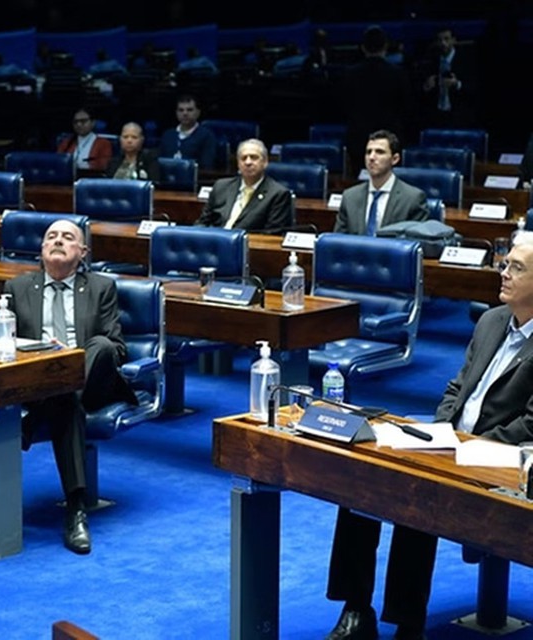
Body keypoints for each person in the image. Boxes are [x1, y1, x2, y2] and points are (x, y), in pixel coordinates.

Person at [323, 231, 533, 640]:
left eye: (516, 268)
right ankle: (356, 610)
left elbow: (531, 424)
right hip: (453, 442)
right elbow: (457, 388)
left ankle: (407, 622)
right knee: (365, 474)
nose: (503, 274)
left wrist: (465, 449)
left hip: (504, 459)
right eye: (504, 264)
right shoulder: (492, 320)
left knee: (420, 493)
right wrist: (437, 435)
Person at [3, 219, 138, 554]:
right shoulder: (17, 288)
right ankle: (76, 510)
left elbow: (117, 349)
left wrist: (72, 358)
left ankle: (34, 419)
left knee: (101, 346)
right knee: (65, 401)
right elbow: (4, 345)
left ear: (83, 252)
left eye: (68, 237)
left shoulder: (101, 286)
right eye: (51, 236)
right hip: (44, 383)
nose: (58, 241)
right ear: (41, 249)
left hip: (93, 381)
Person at [340, 26, 413, 175]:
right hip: (389, 141)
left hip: (359, 140)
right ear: (385, 47)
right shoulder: (398, 74)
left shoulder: (349, 74)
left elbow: (342, 107)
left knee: (360, 185)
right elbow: (407, 109)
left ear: (363, 48)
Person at [334, 130, 429, 235]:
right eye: (368, 152)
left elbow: (416, 244)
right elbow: (338, 241)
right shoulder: (350, 197)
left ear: (395, 159)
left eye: (379, 152)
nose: (371, 157)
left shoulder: (412, 199)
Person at [195, 138, 293, 231]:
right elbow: (203, 222)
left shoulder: (278, 194)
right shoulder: (221, 186)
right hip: (216, 242)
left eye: (254, 158)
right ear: (238, 164)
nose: (248, 162)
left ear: (265, 162)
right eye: (243, 158)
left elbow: (272, 234)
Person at [418, 27, 476, 128]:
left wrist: (457, 84)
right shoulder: (429, 62)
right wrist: (426, 86)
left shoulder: (467, 61)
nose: (443, 43)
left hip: (459, 116)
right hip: (436, 116)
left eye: (446, 39)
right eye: (440, 40)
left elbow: (475, 88)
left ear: (454, 40)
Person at [158, 95, 216, 170]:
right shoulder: (168, 135)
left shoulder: (206, 136)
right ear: (176, 113)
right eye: (181, 110)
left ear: (198, 112)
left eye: (189, 110)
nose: (185, 113)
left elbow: (207, 165)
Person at [56, 108, 113, 172]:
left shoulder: (104, 143)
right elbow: (58, 162)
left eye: (83, 121)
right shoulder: (66, 142)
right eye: (75, 122)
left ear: (93, 123)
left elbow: (103, 166)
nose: (79, 124)